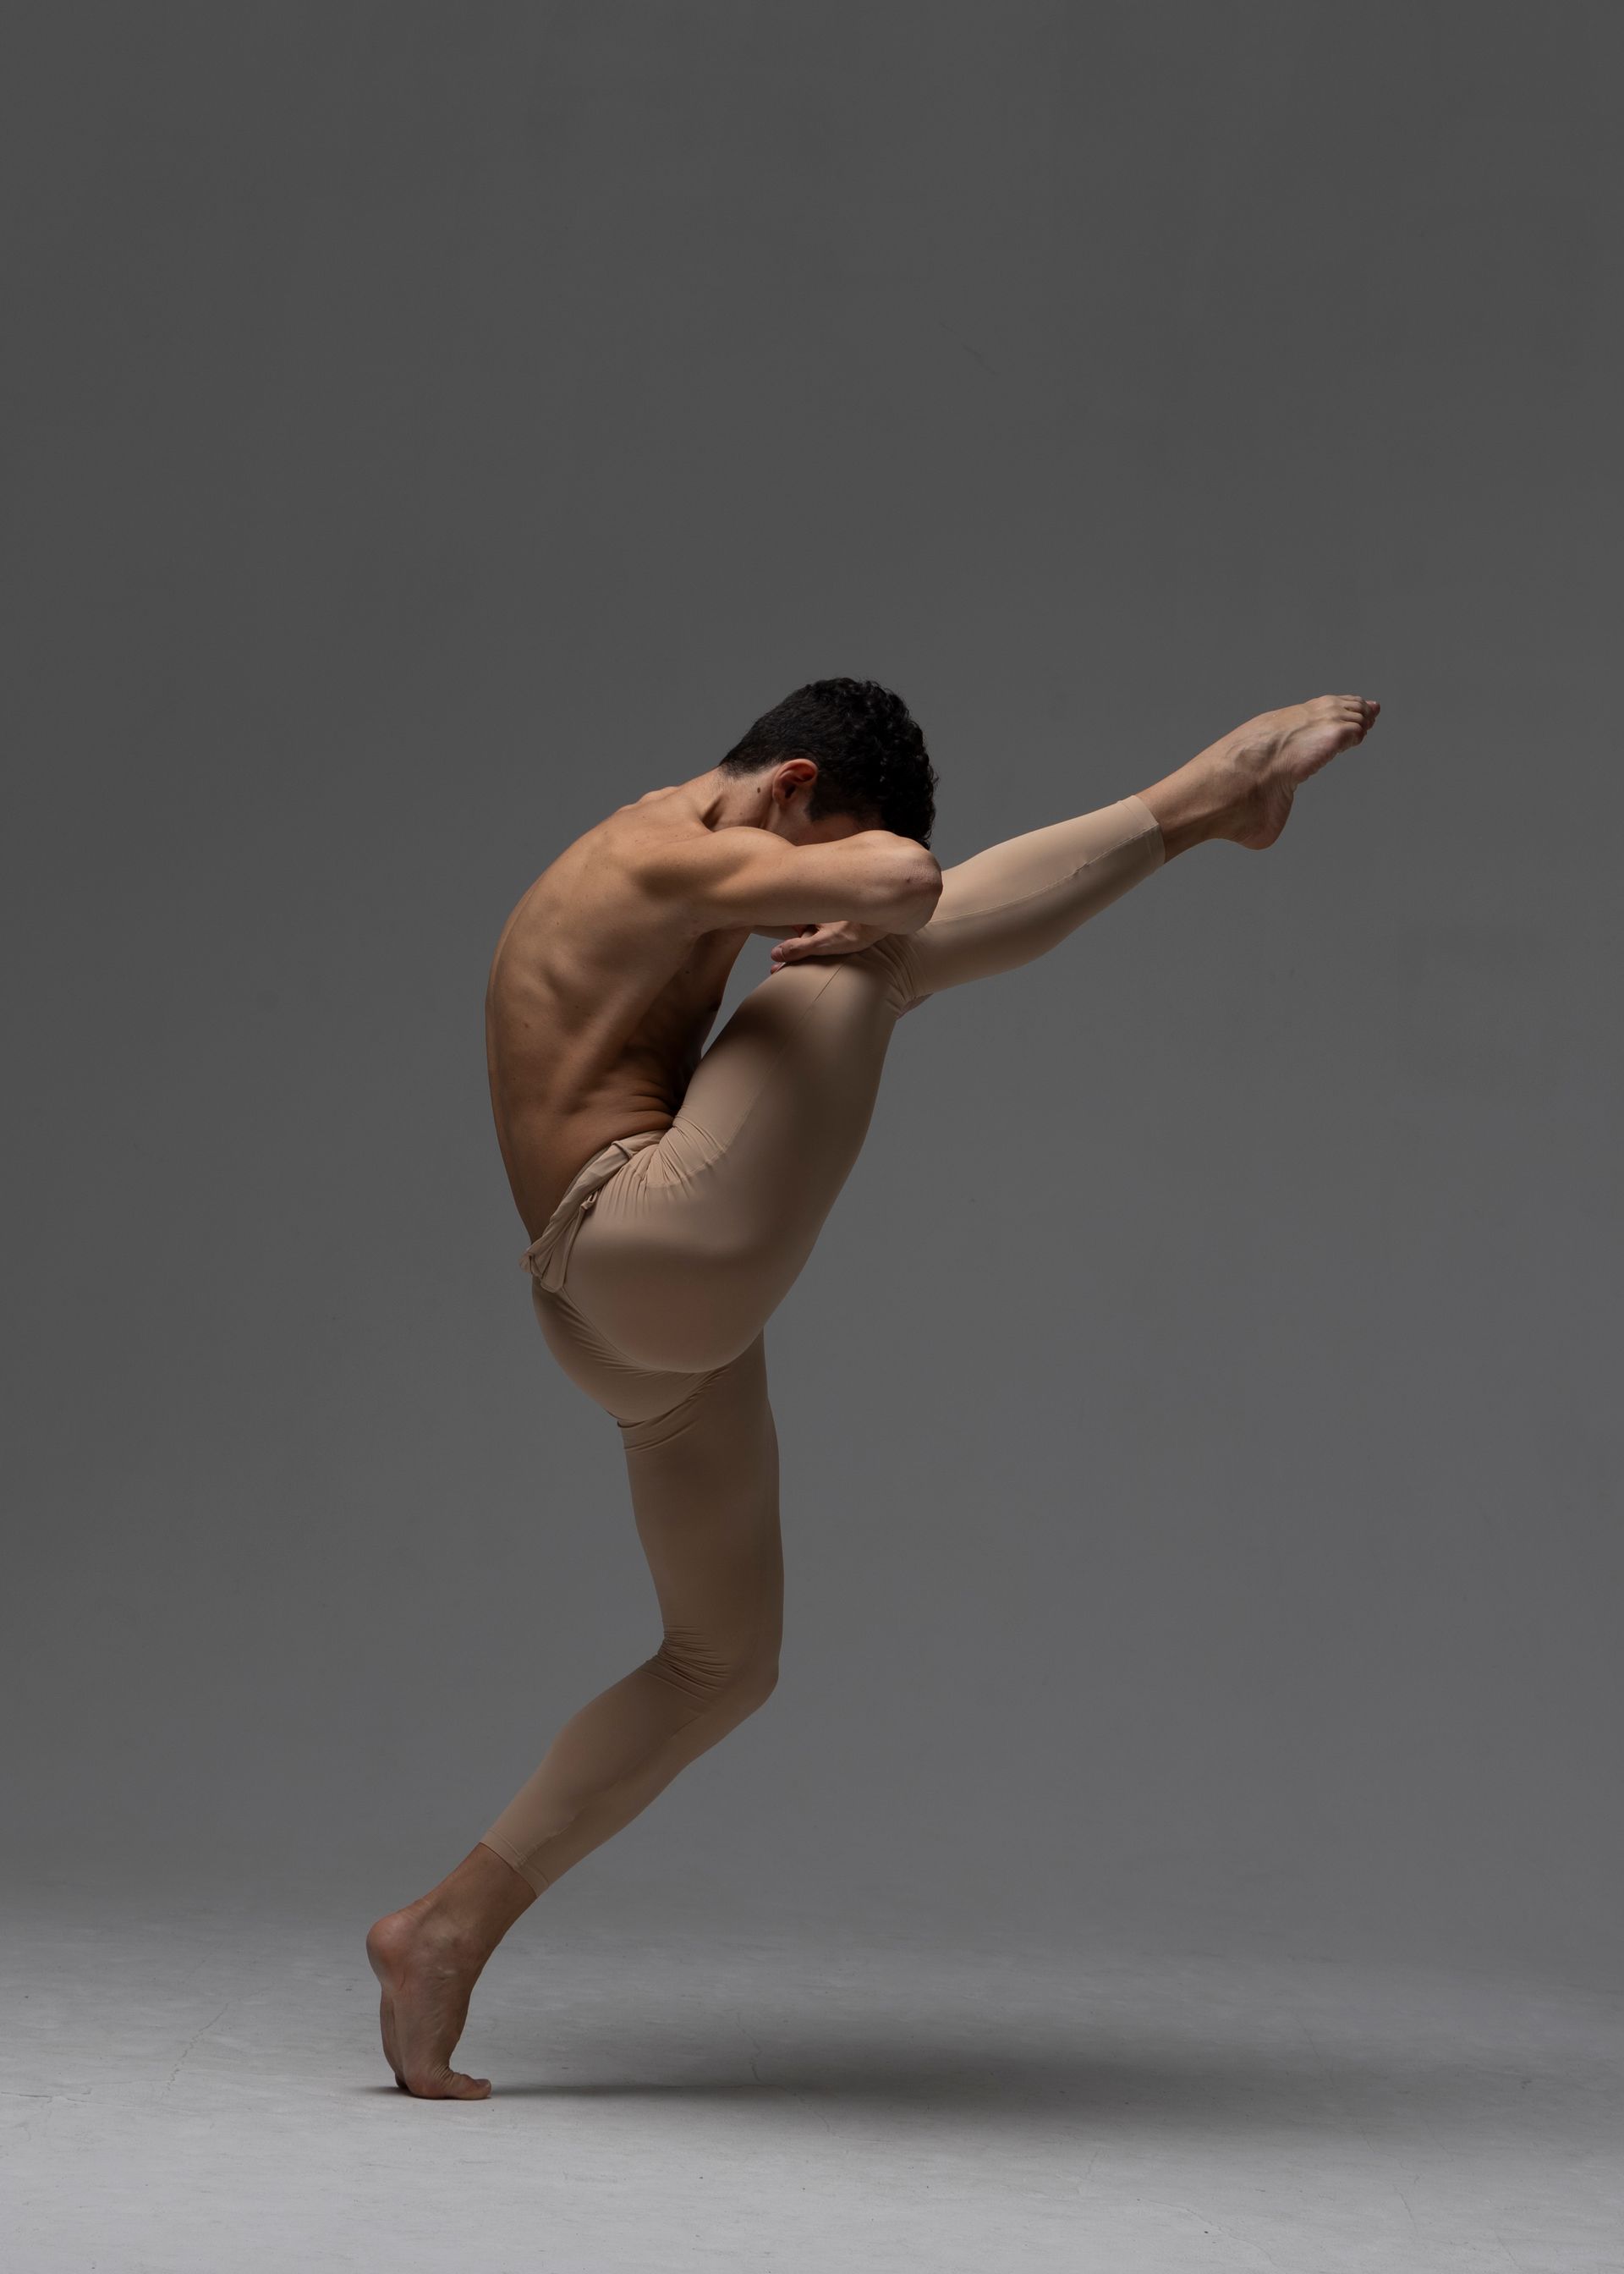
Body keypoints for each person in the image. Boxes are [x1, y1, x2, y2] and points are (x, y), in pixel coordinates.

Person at [365, 677, 1381, 2097]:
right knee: (879, 959)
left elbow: (866, 883)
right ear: (789, 787)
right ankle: (1210, 799)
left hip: (619, 1313)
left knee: (723, 1662)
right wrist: (863, 902)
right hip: (641, 1238)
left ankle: (443, 1932)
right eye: (813, 843)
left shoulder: (690, 855)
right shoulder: (650, 852)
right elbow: (903, 884)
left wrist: (835, 898)